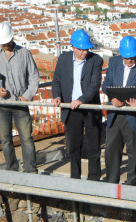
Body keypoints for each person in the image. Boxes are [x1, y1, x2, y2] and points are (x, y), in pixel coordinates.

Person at [0, 22, 39, 173]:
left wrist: (26, 97)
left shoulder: (24, 53)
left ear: (12, 37)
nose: (6, 45)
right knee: (6, 140)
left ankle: (31, 170)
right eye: (3, 43)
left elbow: (34, 77)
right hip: (1, 105)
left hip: (20, 103)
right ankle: (12, 169)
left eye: (7, 42)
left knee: (26, 138)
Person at [52, 29, 103, 181]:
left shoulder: (96, 60)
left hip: (89, 108)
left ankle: (94, 178)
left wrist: (81, 99)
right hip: (71, 109)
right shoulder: (63, 59)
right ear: (73, 47)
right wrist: (57, 96)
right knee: (74, 146)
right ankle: (75, 177)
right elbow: (57, 81)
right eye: (81, 49)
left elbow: (94, 85)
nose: (85, 52)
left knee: (93, 146)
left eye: (87, 49)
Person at [102, 36, 136, 186]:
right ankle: (112, 182)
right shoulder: (114, 62)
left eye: (132, 57)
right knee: (111, 150)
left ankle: (132, 184)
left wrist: (123, 100)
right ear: (121, 55)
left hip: (133, 115)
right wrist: (114, 97)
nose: (130, 60)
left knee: (134, 152)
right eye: (127, 57)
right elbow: (106, 85)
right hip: (114, 115)